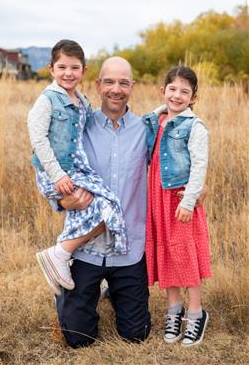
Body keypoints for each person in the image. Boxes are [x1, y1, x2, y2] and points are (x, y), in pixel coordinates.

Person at [51, 56, 151, 348]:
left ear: (132, 86)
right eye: (109, 81)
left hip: (128, 248)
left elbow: (170, 163)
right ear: (97, 85)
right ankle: (69, 294)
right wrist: (63, 201)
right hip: (86, 249)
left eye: (123, 82)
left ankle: (114, 291)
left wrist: (199, 188)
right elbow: (49, 166)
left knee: (136, 334)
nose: (115, 89)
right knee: (78, 338)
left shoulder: (145, 131)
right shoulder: (78, 127)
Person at [27, 40, 128, 296]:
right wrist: (57, 175)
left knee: (103, 209)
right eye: (62, 67)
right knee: (107, 208)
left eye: (74, 67)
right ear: (51, 69)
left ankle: (84, 267)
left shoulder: (82, 101)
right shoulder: (47, 101)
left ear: (84, 70)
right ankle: (60, 254)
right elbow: (38, 140)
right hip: (58, 173)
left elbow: (95, 124)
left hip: (77, 170)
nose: (68, 73)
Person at [143, 66, 211, 347]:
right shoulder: (155, 121)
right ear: (163, 91)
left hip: (179, 201)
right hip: (157, 200)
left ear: (193, 97)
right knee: (167, 255)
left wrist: (189, 199)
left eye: (185, 91)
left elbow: (200, 166)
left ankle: (195, 314)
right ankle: (174, 310)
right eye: (172, 89)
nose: (177, 95)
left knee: (185, 254)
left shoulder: (194, 127)